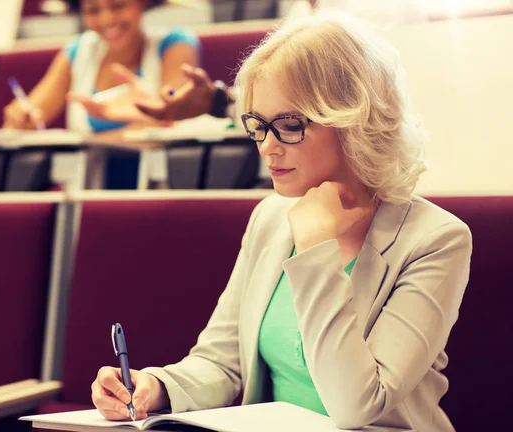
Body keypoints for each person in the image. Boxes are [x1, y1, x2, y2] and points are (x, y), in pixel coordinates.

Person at [90, 11, 472, 431]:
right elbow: (221, 362)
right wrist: (154, 385)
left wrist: (315, 250)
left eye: (289, 125)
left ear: (353, 121)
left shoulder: (436, 239)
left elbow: (357, 405)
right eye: (257, 125)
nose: (267, 148)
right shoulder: (270, 217)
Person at [2, 0, 200, 188]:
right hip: (88, 194)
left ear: (143, 2)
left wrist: (87, 141)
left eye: (118, 5)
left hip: (158, 194)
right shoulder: (77, 51)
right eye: (93, 10)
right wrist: (21, 119)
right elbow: (32, 113)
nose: (107, 20)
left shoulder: (176, 44)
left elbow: (175, 116)